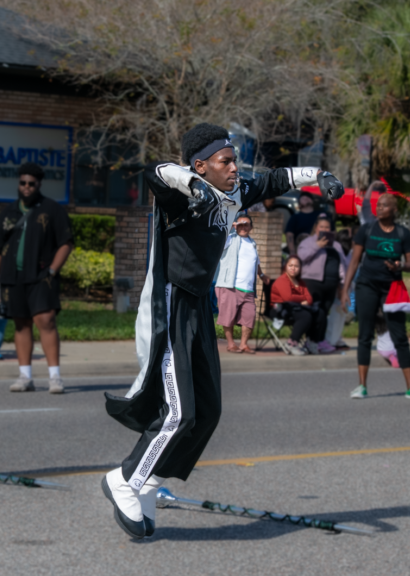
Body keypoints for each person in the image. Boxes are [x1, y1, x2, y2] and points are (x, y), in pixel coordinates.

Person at [101, 123, 344, 539]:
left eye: (234, 160)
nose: (235, 168)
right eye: (225, 161)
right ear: (201, 165)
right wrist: (192, 183)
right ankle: (125, 479)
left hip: (198, 303)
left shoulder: (234, 191)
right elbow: (155, 171)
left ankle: (150, 483)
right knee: (179, 412)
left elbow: (275, 178)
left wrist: (318, 178)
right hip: (172, 302)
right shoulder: (180, 193)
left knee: (208, 412)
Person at [0, 163, 73, 394]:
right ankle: (25, 376)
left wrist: (53, 270)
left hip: (41, 277)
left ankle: (55, 377)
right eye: (23, 182)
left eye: (31, 184)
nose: (26, 187)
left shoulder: (52, 209)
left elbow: (66, 242)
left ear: (39, 184)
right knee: (21, 323)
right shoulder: (8, 213)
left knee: (46, 321)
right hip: (12, 278)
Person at [340, 193, 410, 401]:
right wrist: (346, 289)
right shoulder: (367, 230)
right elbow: (354, 262)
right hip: (366, 286)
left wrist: (400, 266)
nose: (379, 208)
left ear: (394, 210)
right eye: (377, 205)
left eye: (384, 205)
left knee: (399, 336)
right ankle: (361, 386)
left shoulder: (402, 233)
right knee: (364, 335)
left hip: (392, 289)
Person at [214, 214, 269, 354]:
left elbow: (255, 262)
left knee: (249, 317)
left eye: (246, 225)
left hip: (249, 289)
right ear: (236, 226)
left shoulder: (252, 243)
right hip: (230, 286)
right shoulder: (230, 239)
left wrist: (261, 275)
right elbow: (218, 237)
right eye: (240, 224)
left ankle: (244, 344)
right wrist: (230, 227)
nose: (243, 227)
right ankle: (231, 344)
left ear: (251, 227)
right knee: (228, 316)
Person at [298, 213, 349, 354]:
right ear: (316, 228)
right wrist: (317, 246)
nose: (325, 230)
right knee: (314, 312)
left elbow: (343, 266)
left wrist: (343, 286)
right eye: (322, 227)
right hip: (312, 283)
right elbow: (301, 258)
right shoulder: (308, 242)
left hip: (331, 285)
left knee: (324, 313)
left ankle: (320, 341)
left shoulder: (337, 246)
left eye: (327, 227)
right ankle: (310, 341)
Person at [270, 256, 320, 356]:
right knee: (305, 315)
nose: (293, 268)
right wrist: (302, 299)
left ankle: (310, 343)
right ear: (286, 267)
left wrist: (301, 300)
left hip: (295, 308)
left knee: (320, 314)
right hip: (280, 310)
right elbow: (288, 297)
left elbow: (309, 299)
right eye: (290, 265)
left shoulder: (300, 282)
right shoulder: (282, 280)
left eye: (296, 266)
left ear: (300, 268)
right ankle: (291, 343)